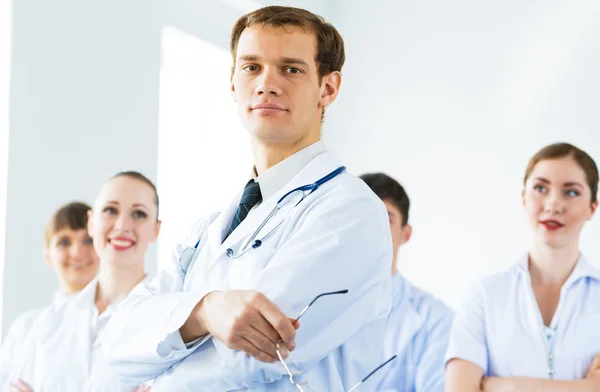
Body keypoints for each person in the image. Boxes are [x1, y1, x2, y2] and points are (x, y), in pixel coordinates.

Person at [102, 6, 393, 392]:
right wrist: (206, 309)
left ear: (328, 88)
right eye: (251, 67)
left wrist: (160, 368)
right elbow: (118, 343)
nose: (266, 84)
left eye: (291, 69)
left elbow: (254, 357)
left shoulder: (349, 212)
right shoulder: (210, 227)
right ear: (233, 83)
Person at [445, 142, 600, 391]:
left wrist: (507, 386)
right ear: (523, 198)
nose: (553, 204)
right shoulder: (485, 295)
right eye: (540, 188)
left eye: (571, 192)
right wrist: (589, 387)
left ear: (593, 207)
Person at [3, 172, 159, 392]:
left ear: (156, 229)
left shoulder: (170, 321)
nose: (123, 225)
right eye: (110, 210)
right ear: (91, 222)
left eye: (139, 214)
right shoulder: (44, 326)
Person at [360, 173, 453, 392]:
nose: (374, 227)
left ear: (406, 234)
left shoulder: (436, 320)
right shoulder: (311, 306)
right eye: (363, 216)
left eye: (387, 218)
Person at [0, 202, 99, 386]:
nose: (78, 252)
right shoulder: (25, 328)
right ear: (48, 255)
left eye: (88, 240)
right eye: (64, 242)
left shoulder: (122, 319)